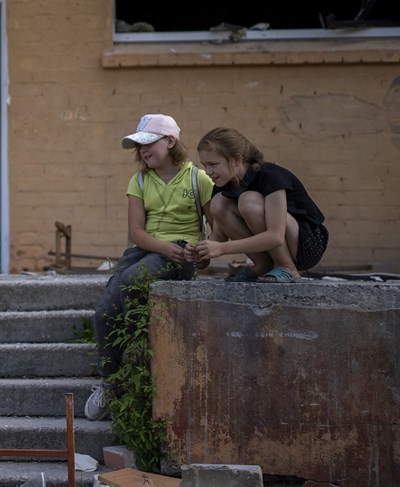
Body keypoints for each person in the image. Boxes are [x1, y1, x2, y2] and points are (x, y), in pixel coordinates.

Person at [86, 114, 215, 421]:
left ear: (170, 141)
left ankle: (121, 377)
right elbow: (137, 233)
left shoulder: (199, 179)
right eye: (138, 146)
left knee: (127, 285)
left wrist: (206, 252)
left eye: (148, 143)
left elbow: (217, 223)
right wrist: (164, 248)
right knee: (105, 310)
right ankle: (110, 382)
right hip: (146, 251)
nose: (142, 151)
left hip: (180, 254)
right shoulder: (140, 180)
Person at [190, 127, 329, 283]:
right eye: (204, 165)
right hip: (278, 244)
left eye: (213, 164)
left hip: (307, 244)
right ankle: (263, 264)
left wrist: (222, 249)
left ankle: (287, 266)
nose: (208, 171)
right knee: (218, 203)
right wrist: (202, 252)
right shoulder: (223, 184)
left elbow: (275, 237)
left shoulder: (270, 176)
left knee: (248, 201)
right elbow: (219, 236)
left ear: (236, 159)